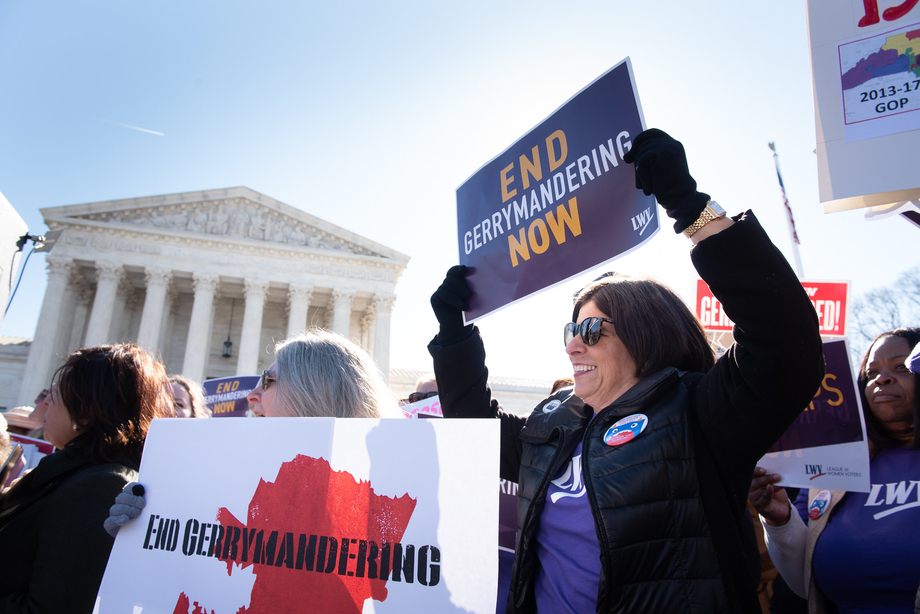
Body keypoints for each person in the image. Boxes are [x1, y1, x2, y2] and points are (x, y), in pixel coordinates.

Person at [427, 128, 824, 613]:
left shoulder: (701, 414)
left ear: (646, 335)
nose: (573, 344)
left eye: (591, 330)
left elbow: (786, 342)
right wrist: (454, 334)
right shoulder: (553, 426)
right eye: (570, 330)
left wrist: (690, 207)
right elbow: (475, 433)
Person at [105, 328, 401, 535]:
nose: (252, 395)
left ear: (313, 394)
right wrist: (140, 534)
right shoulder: (224, 481)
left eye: (268, 380)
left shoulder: (389, 508)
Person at [750, 327, 920, 613]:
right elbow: (806, 583)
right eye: (871, 372)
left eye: (901, 367)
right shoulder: (833, 464)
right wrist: (780, 522)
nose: (881, 378)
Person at [0, 344, 172, 613]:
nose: (44, 402)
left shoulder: (100, 487)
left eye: (54, 395)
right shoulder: (72, 473)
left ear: (85, 413)